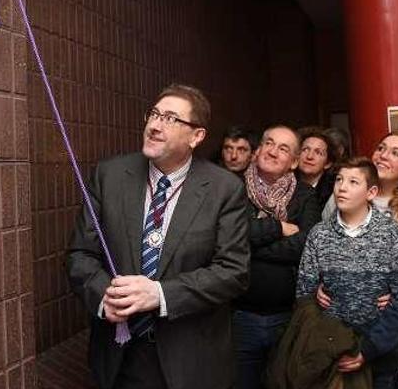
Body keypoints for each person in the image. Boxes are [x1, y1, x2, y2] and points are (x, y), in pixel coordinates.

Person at [66, 84, 250, 389]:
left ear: (196, 136)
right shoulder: (109, 175)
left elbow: (233, 272)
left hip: (190, 358)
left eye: (170, 118)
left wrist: (160, 294)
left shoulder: (223, 189)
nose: (154, 125)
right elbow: (80, 254)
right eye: (153, 114)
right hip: (122, 352)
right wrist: (103, 298)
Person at [321, 132, 398, 388]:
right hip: (345, 323)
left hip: (397, 326)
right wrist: (322, 283)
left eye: (396, 153)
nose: (384, 155)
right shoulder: (341, 195)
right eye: (381, 148)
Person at [298, 157, 398, 389]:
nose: (342, 187)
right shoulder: (319, 234)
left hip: (380, 354)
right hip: (330, 354)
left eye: (353, 182)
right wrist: (316, 296)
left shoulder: (390, 232)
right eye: (339, 180)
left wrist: (368, 349)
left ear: (371, 192)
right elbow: (303, 294)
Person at [233, 125, 322, 389]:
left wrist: (251, 247)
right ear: (258, 149)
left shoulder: (305, 196)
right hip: (238, 316)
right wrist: (278, 228)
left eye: (283, 148)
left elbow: (305, 244)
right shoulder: (233, 188)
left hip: (287, 316)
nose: (273, 151)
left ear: (294, 162)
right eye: (269, 143)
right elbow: (230, 234)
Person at [297, 127, 337, 207]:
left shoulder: (334, 191)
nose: (309, 156)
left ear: (327, 163)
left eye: (318, 152)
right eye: (305, 150)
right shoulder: (285, 184)